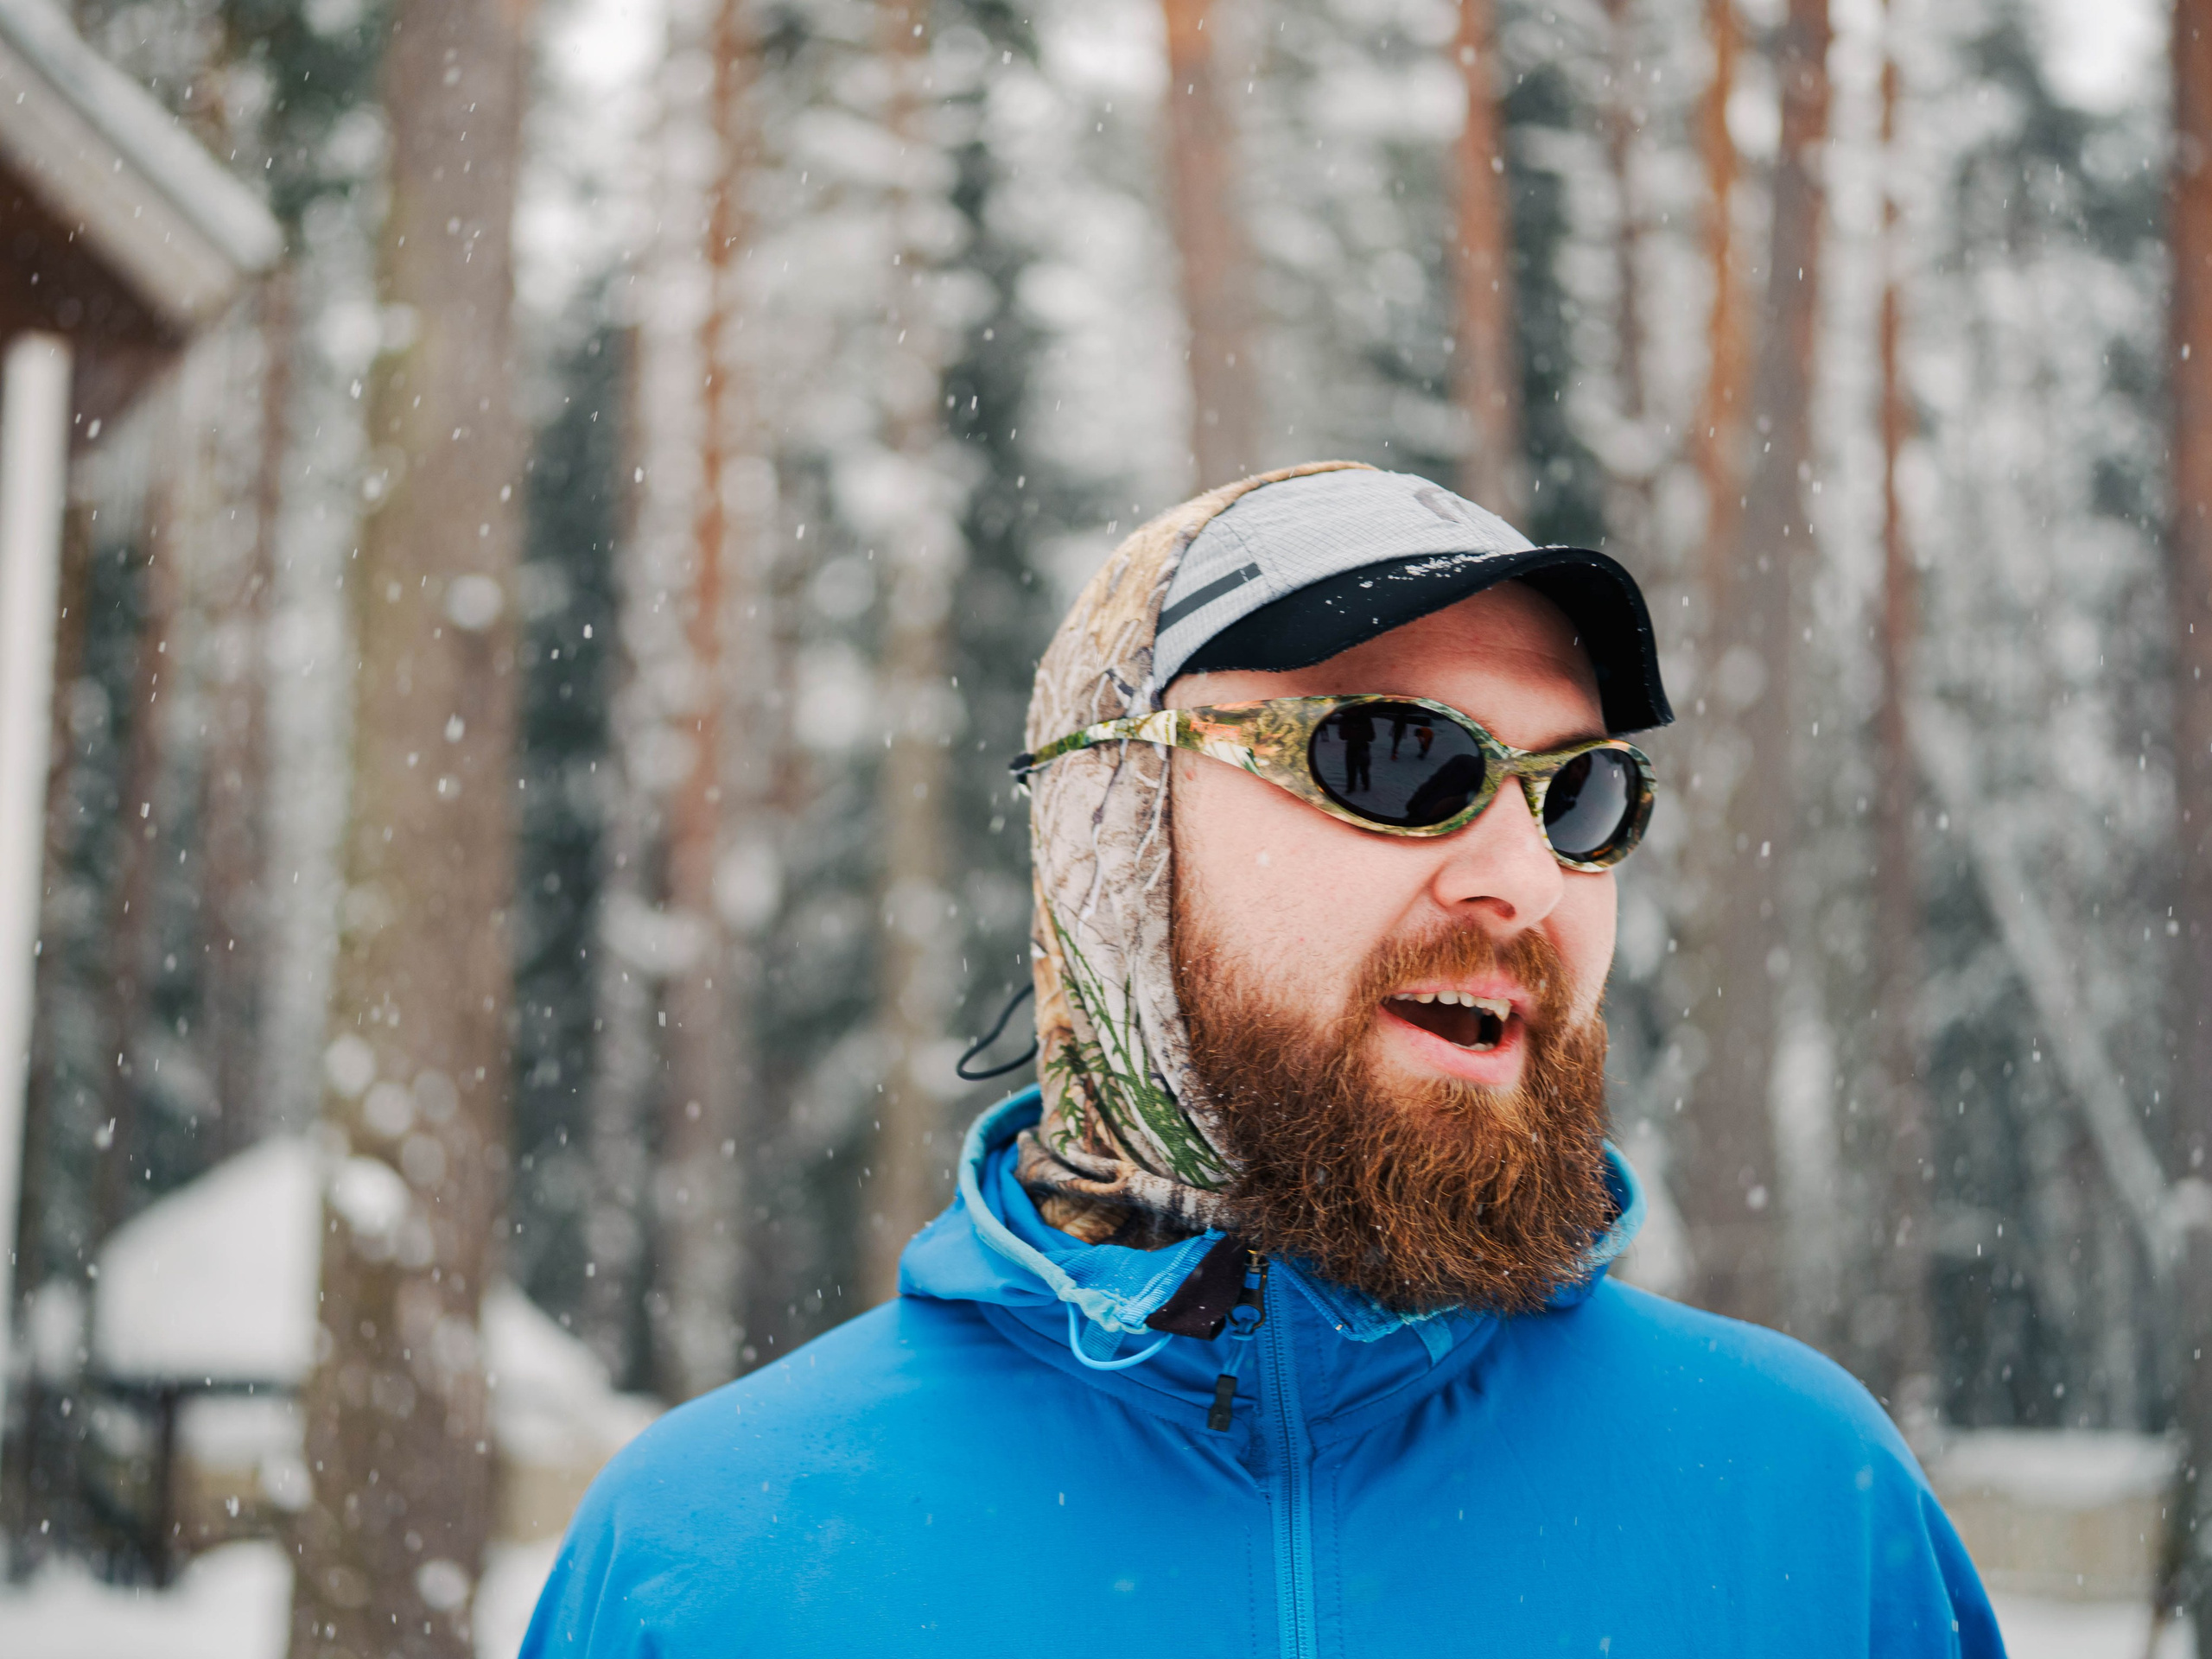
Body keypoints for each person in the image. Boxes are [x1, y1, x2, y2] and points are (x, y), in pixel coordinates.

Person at [521, 463, 2002, 1657]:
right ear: (1118, 829)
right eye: (1396, 760)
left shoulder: (1802, 1501)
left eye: (1580, 795)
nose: (1527, 881)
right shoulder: (717, 1553)